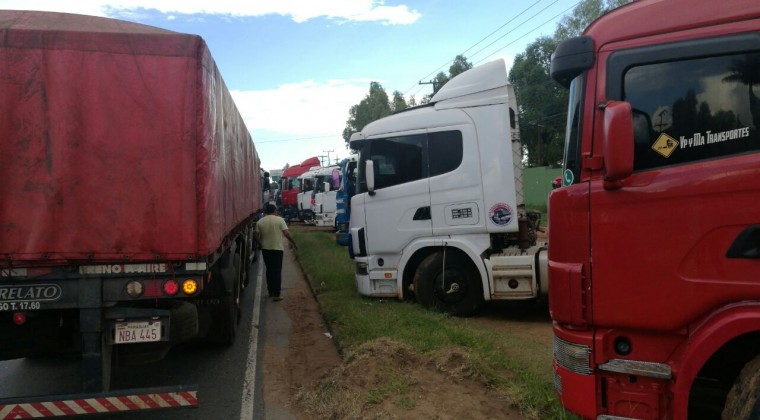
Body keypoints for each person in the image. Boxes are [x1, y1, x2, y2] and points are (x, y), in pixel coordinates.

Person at [254, 203, 297, 301]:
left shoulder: (260, 222)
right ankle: (277, 295)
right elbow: (286, 234)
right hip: (277, 249)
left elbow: (255, 235)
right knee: (277, 271)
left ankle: (270, 291)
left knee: (269, 270)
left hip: (266, 249)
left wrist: (261, 244)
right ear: (274, 211)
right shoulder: (280, 220)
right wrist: (294, 243)